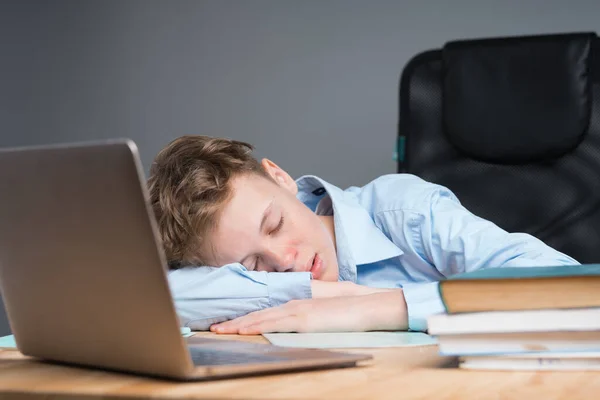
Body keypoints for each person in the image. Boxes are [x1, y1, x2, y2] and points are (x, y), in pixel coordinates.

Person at [147, 135, 579, 334]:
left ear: (280, 178)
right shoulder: (265, 272)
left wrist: (382, 308)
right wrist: (321, 296)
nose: (283, 260)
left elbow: (569, 284)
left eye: (275, 224)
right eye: (252, 267)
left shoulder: (404, 211)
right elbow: (157, 297)